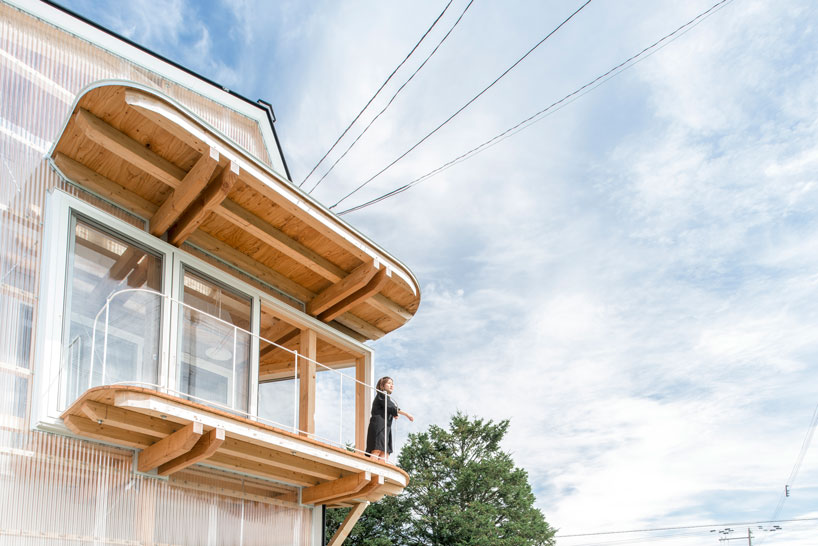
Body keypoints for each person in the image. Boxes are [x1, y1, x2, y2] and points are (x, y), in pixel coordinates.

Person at [366, 376, 413, 461]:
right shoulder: (382, 394)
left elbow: (389, 408)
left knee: (385, 451)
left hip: (385, 427)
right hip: (378, 426)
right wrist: (407, 414)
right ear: (382, 386)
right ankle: (372, 469)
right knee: (377, 449)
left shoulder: (385, 398)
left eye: (392, 384)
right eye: (389, 383)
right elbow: (391, 407)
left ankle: (381, 472)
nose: (392, 386)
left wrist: (393, 414)